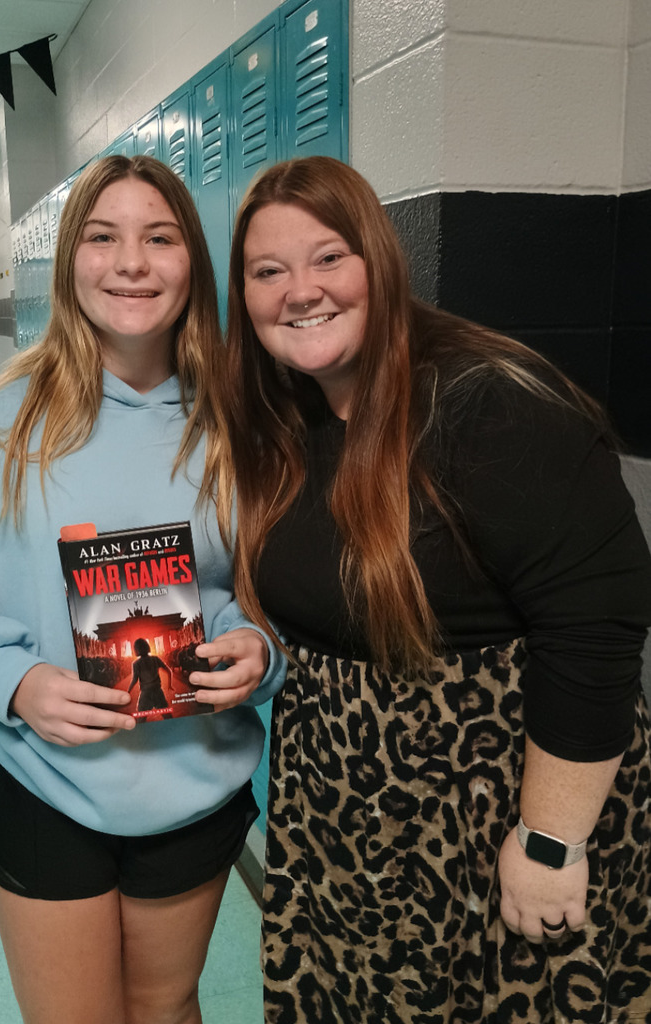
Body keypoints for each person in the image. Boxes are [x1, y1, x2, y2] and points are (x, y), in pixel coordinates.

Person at [219, 155, 651, 1023]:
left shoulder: (487, 403)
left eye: (329, 257)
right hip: (344, 819)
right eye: (269, 271)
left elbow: (595, 624)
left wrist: (550, 842)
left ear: (379, 261)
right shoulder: (287, 417)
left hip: (494, 809)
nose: (301, 291)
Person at [0, 154, 284, 1024]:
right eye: (103, 238)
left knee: (167, 1007)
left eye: (160, 238)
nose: (132, 263)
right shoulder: (8, 419)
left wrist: (256, 647)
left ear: (193, 262)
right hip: (42, 782)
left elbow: (260, 586)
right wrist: (12, 682)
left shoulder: (233, 423)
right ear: (70, 259)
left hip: (192, 782)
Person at [129, 637, 171, 711]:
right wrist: (169, 685)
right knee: (166, 714)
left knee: (141, 716)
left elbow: (134, 680)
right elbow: (169, 671)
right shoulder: (155, 659)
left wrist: (128, 691)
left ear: (136, 650)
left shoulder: (136, 664)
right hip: (158, 692)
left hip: (145, 694)